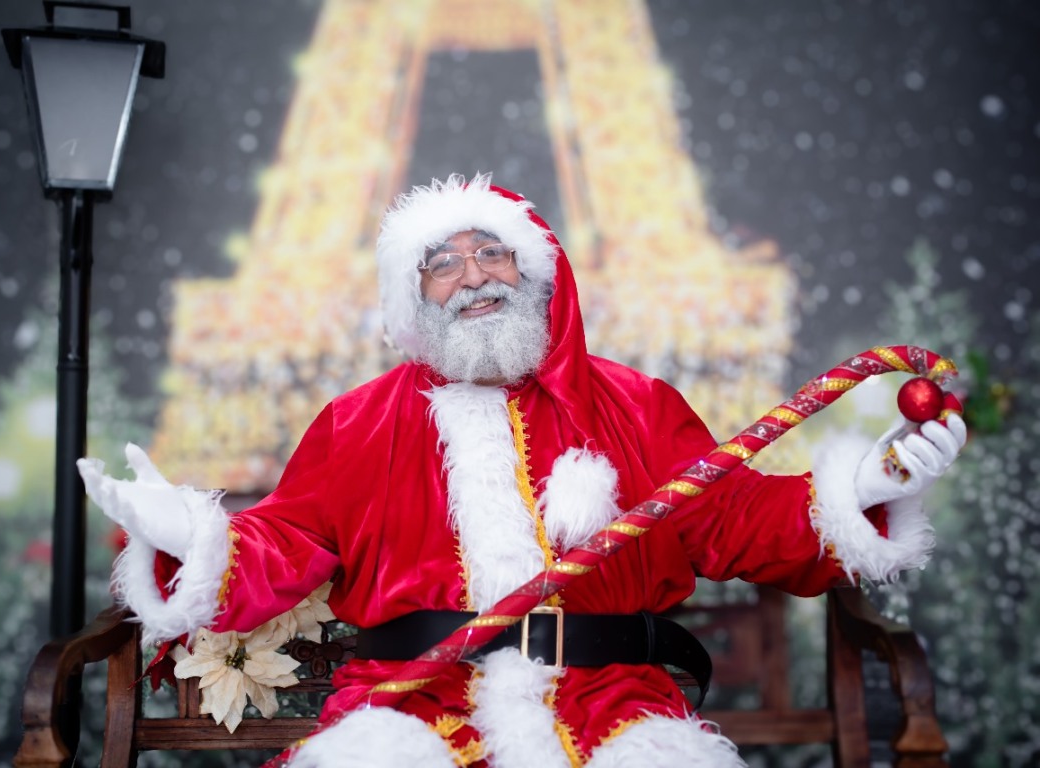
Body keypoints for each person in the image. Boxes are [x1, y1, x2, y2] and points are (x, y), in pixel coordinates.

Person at [79, 173, 966, 767]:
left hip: (607, 696)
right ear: (411, 298)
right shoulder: (359, 420)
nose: (474, 278)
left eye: (492, 253)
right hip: (416, 700)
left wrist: (865, 489)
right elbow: (290, 538)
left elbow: (728, 518)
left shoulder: (633, 404)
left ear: (537, 272)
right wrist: (191, 535)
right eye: (442, 263)